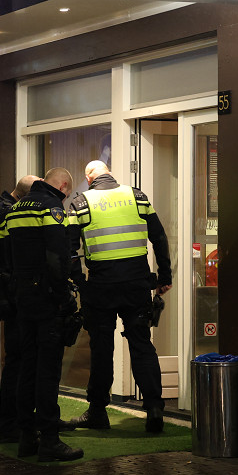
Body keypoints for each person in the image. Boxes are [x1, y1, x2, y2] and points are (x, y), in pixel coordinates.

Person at [63, 160, 171, 434]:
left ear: (89, 179)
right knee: (141, 344)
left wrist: (80, 282)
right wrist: (164, 276)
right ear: (109, 174)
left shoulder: (81, 203)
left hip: (100, 287)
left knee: (101, 349)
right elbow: (159, 237)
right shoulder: (137, 197)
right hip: (137, 285)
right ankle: (154, 408)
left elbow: (69, 249)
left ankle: (98, 412)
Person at [2, 167, 83, 462]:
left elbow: (9, 256)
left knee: (28, 367)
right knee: (48, 371)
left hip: (23, 298)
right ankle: (49, 439)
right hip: (47, 299)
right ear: (63, 186)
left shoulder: (16, 209)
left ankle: (27, 437)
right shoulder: (51, 207)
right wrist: (64, 298)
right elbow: (58, 256)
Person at [0, 174, 39, 444]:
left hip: (6, 289)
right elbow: (14, 254)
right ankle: (12, 425)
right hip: (16, 292)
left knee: (16, 360)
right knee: (19, 361)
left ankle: (15, 423)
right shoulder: (10, 213)